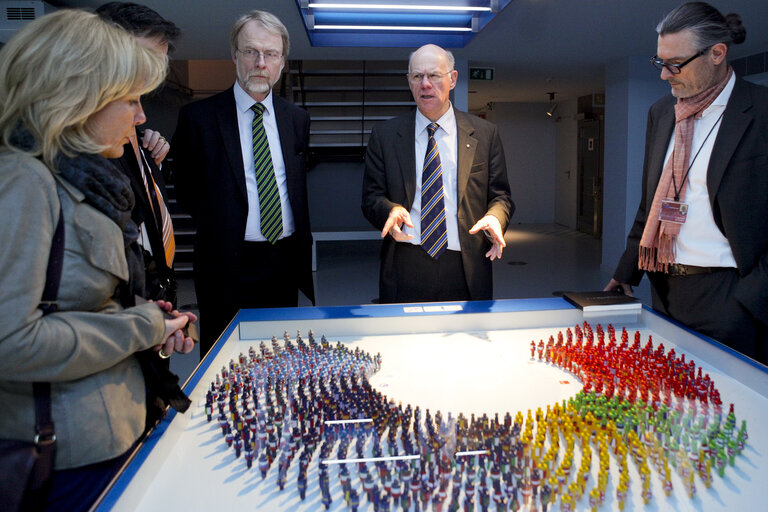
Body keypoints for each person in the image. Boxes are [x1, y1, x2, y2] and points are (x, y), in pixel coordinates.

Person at [0, 10, 195, 511]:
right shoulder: (24, 184)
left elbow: (82, 305)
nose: (140, 116)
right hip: (67, 463)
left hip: (114, 436)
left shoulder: (83, 180)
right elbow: (11, 341)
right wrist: (142, 327)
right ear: (78, 98)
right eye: (129, 99)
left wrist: (150, 323)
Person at [605, 2, 768, 363]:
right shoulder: (663, 113)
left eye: (675, 64)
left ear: (717, 53)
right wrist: (626, 271)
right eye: (659, 62)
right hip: (666, 292)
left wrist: (752, 296)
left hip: (732, 298)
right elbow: (651, 204)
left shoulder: (760, 111)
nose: (664, 75)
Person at [172, 10, 314, 358]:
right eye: (251, 51)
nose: (260, 62)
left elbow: (294, 187)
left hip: (283, 258)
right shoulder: (199, 118)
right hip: (225, 262)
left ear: (282, 61)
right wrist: (223, 221)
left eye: (271, 54)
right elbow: (186, 189)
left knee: (282, 355)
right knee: (224, 361)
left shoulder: (297, 119)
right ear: (235, 56)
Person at [361, 44, 513, 303]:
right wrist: (390, 209)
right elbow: (371, 197)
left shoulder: (485, 134)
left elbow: (501, 197)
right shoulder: (385, 136)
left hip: (466, 266)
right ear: (409, 82)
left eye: (434, 75)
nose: (425, 84)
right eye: (418, 76)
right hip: (405, 262)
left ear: (452, 79)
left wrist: (495, 218)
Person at [96, 2, 181, 304]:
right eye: (143, 61)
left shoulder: (142, 134)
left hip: (155, 296)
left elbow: (150, 217)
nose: (152, 75)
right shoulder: (93, 144)